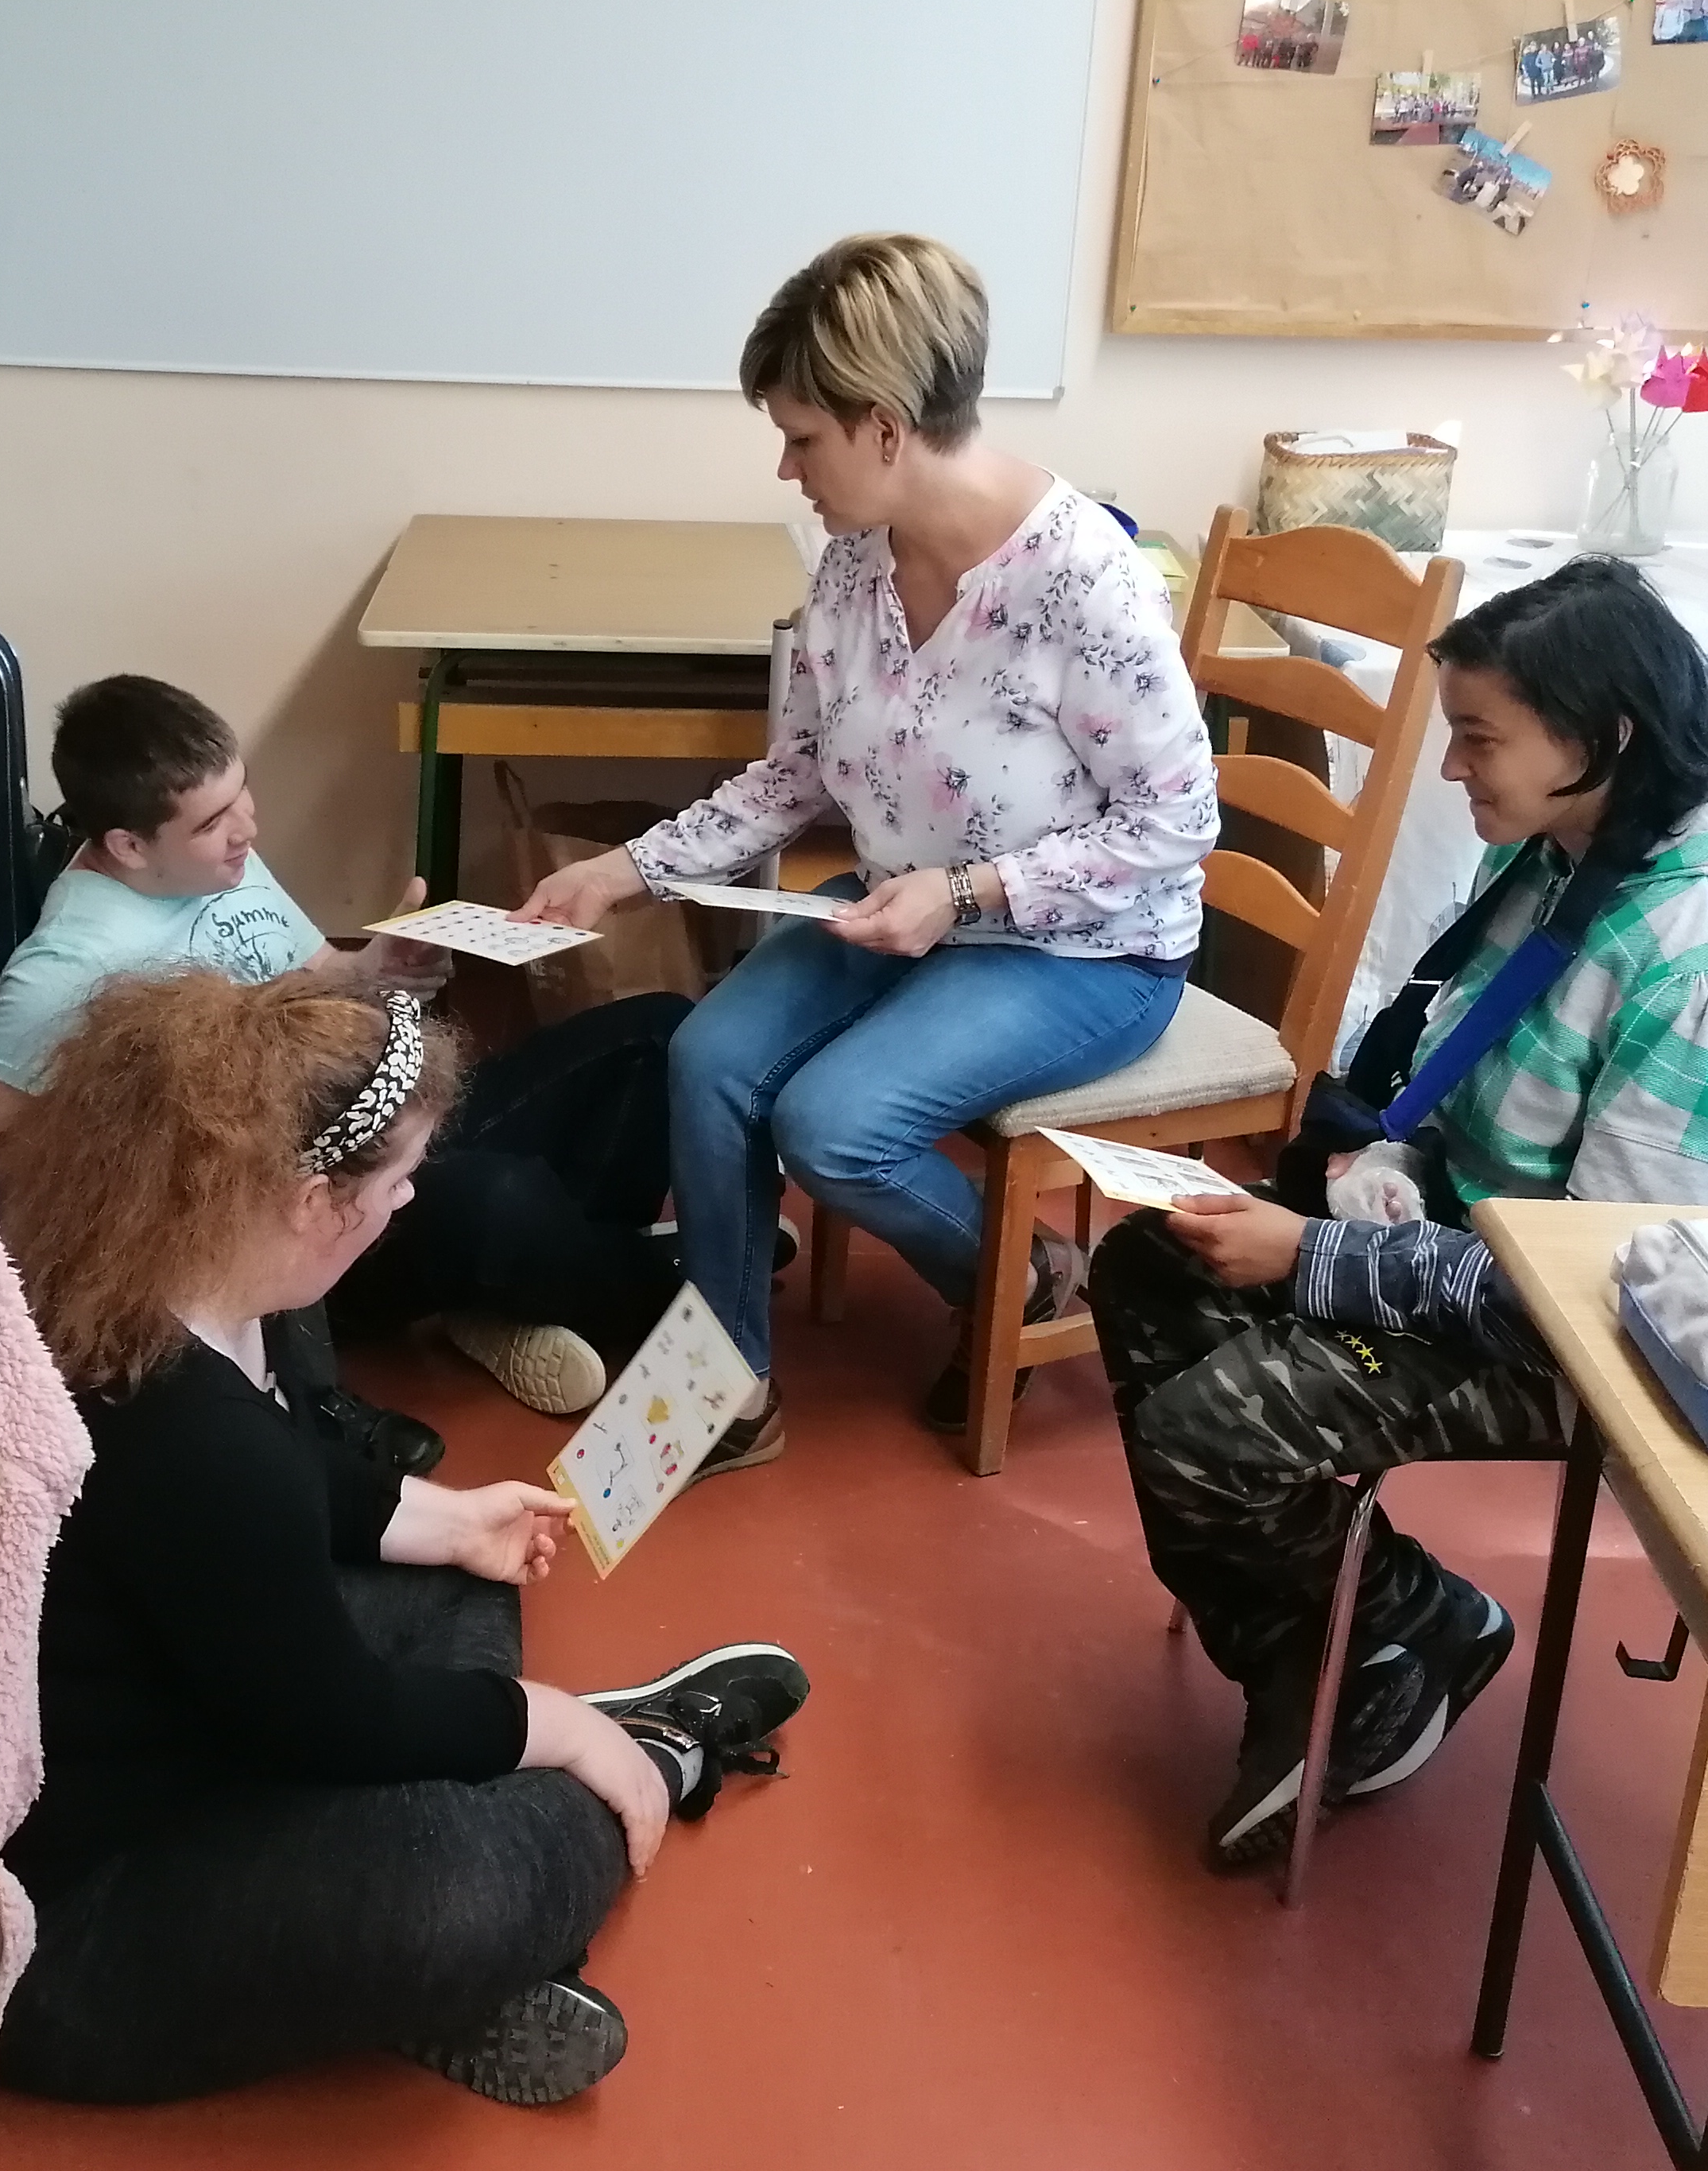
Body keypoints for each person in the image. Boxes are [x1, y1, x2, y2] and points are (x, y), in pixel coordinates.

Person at [1087, 556, 1708, 1872]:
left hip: (1579, 1346)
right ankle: (1336, 1648)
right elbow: (1458, 1074)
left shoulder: (1700, 960)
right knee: (1144, 1265)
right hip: (1457, 1244)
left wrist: (1321, 1253)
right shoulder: (1562, 859)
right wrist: (1380, 1175)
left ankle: (1401, 1623)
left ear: (1604, 740)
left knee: (1207, 1432)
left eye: (1480, 738)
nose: (1454, 767)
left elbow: (1599, 1289)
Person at [0, 969, 808, 2106]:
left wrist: (445, 1518)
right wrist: (561, 1727)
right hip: (81, 1931)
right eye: (398, 1179)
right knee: (464, 1887)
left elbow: (286, 1479)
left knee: (471, 1566)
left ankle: (406, 1952)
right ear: (311, 1199)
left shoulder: (161, 1284)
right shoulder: (193, 1437)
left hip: (199, 1727)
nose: (409, 1200)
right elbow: (326, 1716)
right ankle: (656, 1755)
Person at [516, 233, 1216, 1464]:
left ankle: (1022, 1277)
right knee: (707, 1057)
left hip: (1085, 947)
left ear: (886, 427)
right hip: (901, 907)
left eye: (802, 437)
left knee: (834, 1126)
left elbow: (1176, 822)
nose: (787, 468)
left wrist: (971, 891)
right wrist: (625, 872)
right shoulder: (853, 562)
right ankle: (728, 1384)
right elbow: (796, 775)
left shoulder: (1085, 580)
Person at [0, 674, 688, 1415]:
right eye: (212, 822)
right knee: (498, 1201)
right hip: (301, 1224)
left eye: (241, 793)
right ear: (129, 845)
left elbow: (322, 977)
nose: (246, 829)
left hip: (378, 1120)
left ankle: (527, 1292)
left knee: (656, 1035)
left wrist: (382, 968)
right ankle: (681, 1298)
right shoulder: (69, 967)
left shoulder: (213, 861)